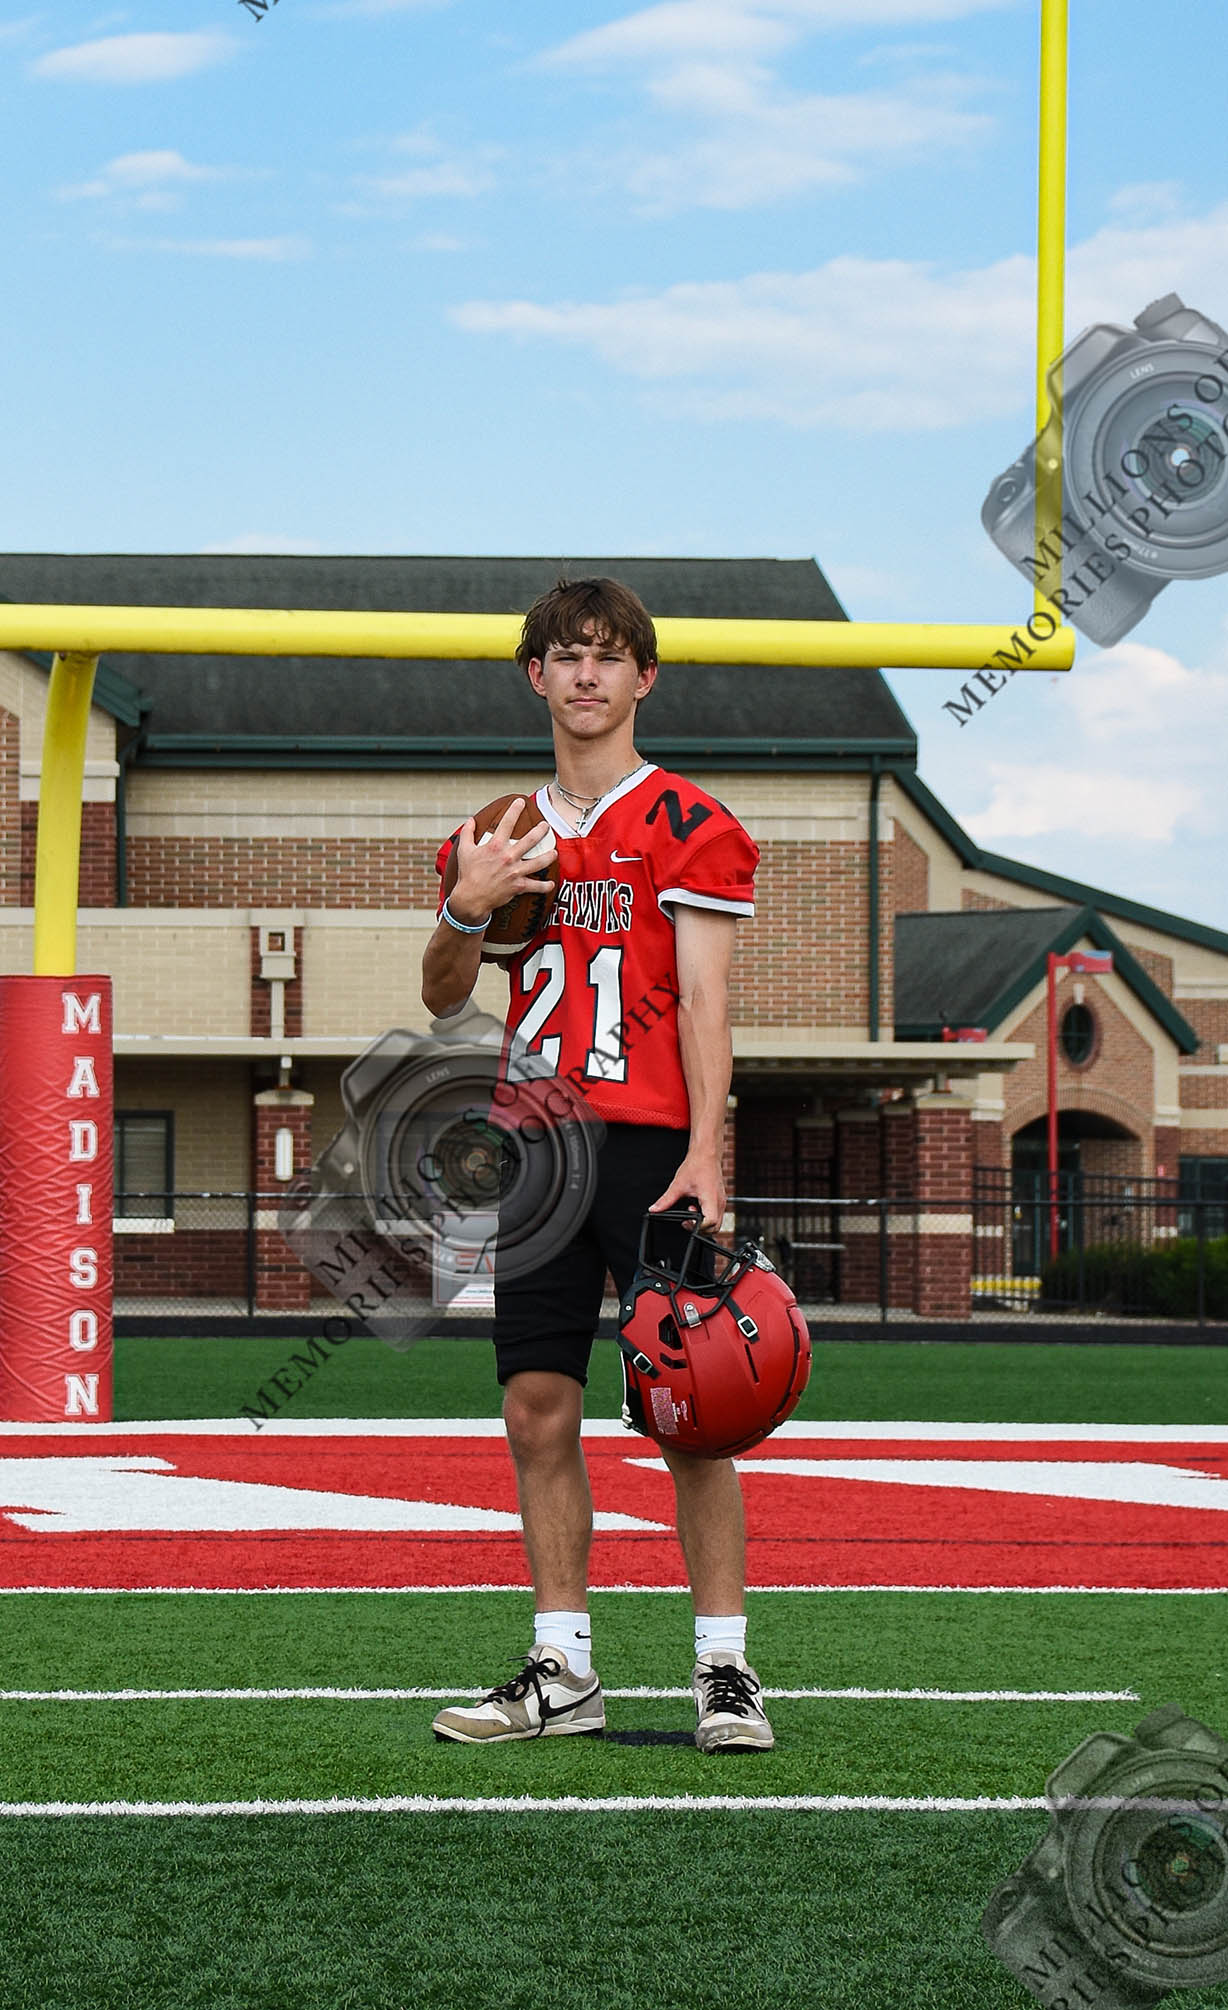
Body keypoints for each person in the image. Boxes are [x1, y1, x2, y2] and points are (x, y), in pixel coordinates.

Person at [420, 576, 769, 1753]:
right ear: (536, 675)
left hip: (654, 1146)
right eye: (566, 655)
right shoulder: (500, 832)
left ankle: (724, 1669)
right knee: (536, 1408)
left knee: (695, 1412)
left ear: (643, 677)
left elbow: (709, 1003)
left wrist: (709, 1152)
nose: (586, 675)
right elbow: (442, 997)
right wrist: (466, 907)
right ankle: (563, 1667)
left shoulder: (688, 821)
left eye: (608, 656)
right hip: (536, 1146)